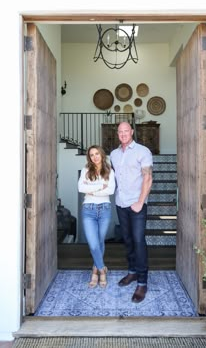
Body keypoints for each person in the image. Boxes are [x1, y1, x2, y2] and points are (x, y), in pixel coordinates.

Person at [110, 122, 153, 303]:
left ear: (132, 132)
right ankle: (132, 272)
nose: (123, 134)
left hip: (137, 205)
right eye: (120, 132)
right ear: (117, 134)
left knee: (138, 241)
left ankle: (142, 282)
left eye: (126, 131)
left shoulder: (143, 151)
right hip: (121, 203)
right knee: (127, 240)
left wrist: (140, 202)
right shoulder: (113, 154)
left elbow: (148, 178)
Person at [78, 145, 115, 288]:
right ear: (89, 157)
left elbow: (110, 190)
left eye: (97, 153)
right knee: (93, 243)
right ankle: (102, 270)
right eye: (92, 154)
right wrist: (101, 187)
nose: (95, 157)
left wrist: (91, 189)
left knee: (99, 241)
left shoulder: (109, 170)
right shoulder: (85, 170)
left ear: (102, 154)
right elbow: (81, 188)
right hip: (88, 209)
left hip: (105, 209)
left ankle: (95, 270)